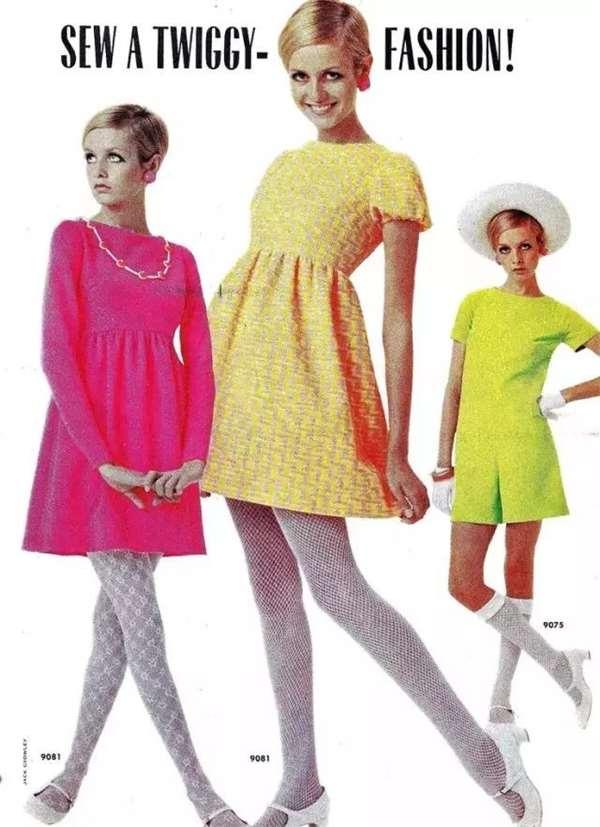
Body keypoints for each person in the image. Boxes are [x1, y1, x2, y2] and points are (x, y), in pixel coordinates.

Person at [202, 3, 540, 825]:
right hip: (239, 385)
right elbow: (250, 283)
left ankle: (486, 756)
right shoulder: (281, 166)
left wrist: (395, 448)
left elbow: (396, 318)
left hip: (310, 388)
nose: (315, 92)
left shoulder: (389, 171)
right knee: (272, 592)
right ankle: (302, 788)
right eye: (299, 76)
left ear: (363, 72)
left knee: (339, 590)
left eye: (332, 74)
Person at [22, 104, 244, 827]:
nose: (98, 171)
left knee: (117, 630)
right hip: (95, 456)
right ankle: (204, 796)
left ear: (150, 167)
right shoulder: (74, 239)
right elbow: (56, 353)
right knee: (141, 624)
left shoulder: (180, 260)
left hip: (160, 458)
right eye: (90, 156)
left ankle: (65, 784)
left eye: (114, 157)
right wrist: (103, 461)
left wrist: (194, 457)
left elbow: (201, 365)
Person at [433, 182, 599, 732]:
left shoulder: (557, 314)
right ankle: (561, 667)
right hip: (475, 455)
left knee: (517, 571)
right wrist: (442, 465)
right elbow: (454, 387)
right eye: (505, 249)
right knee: (463, 584)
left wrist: (564, 396)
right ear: (494, 253)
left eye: (525, 246)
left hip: (528, 451)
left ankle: (501, 701)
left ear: (541, 247)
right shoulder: (475, 305)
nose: (516, 258)